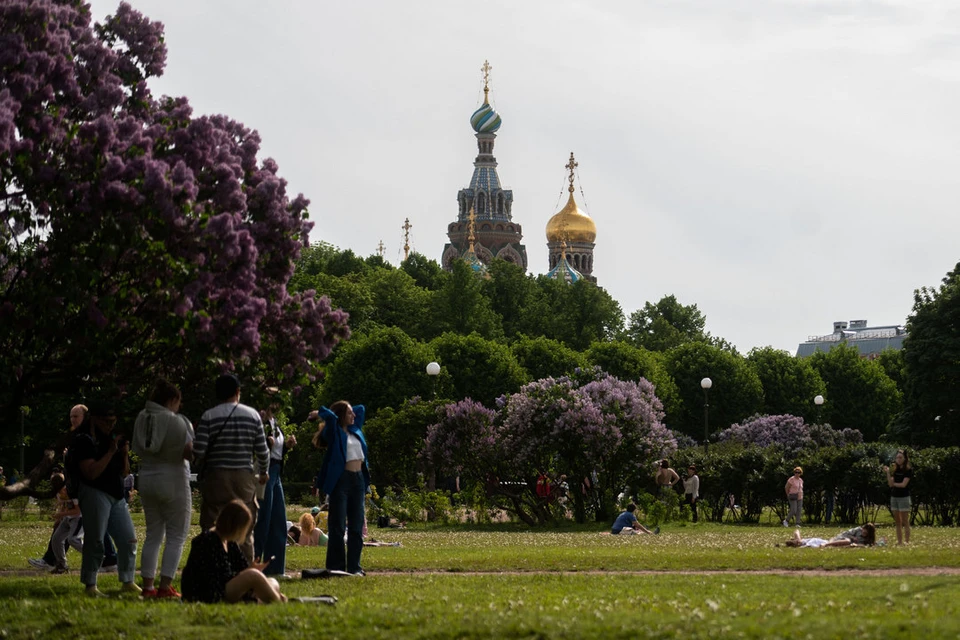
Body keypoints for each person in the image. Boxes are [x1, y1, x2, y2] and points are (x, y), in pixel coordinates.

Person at [30, 404, 118, 573]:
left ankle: (106, 559)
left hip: (91, 489)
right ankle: (55, 560)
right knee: (72, 530)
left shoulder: (90, 436)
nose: (72, 419)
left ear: (85, 418)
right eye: (71, 416)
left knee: (92, 526)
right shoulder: (76, 437)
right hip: (79, 490)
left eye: (75, 416)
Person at [193, 374, 269, 563]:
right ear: (237, 391)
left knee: (212, 524)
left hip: (216, 476)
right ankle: (245, 573)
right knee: (244, 525)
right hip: (243, 476)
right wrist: (264, 472)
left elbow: (199, 451)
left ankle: (213, 567)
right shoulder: (252, 416)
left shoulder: (209, 416)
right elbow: (263, 451)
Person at [132, 379, 194, 598]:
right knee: (177, 535)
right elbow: (188, 451)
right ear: (171, 400)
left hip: (147, 478)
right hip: (173, 478)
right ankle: (165, 586)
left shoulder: (142, 418)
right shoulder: (177, 422)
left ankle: (148, 586)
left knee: (153, 535)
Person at [71, 401, 140, 597]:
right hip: (94, 492)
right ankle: (90, 585)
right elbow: (91, 473)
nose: (110, 425)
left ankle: (127, 580)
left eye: (113, 421)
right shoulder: (84, 439)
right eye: (106, 421)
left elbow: (125, 472)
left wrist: (124, 454)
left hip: (116, 494)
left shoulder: (113, 438)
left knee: (129, 540)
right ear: (95, 419)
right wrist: (110, 452)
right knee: (95, 541)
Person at [180, 500, 286, 604]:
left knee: (272, 581)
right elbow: (220, 577)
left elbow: (241, 567)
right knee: (254, 576)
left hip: (225, 585)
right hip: (208, 592)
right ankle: (278, 602)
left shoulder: (229, 542)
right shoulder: (207, 541)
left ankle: (266, 600)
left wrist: (251, 569)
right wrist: (248, 574)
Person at [309, 400, 370, 576]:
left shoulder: (355, 429)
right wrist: (321, 413)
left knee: (357, 526)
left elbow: (361, 408)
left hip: (358, 481)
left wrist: (347, 409)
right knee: (337, 526)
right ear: (342, 416)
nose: (354, 415)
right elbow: (332, 417)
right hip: (341, 481)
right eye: (349, 413)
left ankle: (354, 567)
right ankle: (336, 567)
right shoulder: (334, 432)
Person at [253, 390, 297, 576]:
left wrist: (286, 446)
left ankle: (275, 569)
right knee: (262, 520)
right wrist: (266, 443)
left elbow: (276, 450)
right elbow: (256, 447)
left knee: (278, 521)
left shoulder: (274, 422)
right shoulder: (259, 421)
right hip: (265, 471)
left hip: (277, 471)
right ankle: (253, 566)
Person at [47, 476, 84, 573]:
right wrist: (58, 519)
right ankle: (61, 565)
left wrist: (61, 514)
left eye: (61, 488)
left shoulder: (72, 492)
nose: (60, 492)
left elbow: (77, 511)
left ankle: (95, 556)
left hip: (79, 518)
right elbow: (64, 505)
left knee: (73, 539)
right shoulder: (59, 494)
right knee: (56, 539)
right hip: (67, 519)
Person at [884, 450, 912, 545]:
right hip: (894, 497)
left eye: (900, 457)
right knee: (898, 521)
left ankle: (907, 541)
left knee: (905, 520)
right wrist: (888, 473)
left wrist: (894, 484)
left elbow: (903, 485)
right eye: (897, 458)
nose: (898, 459)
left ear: (904, 459)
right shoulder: (894, 470)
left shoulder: (908, 470)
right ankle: (899, 542)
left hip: (904, 497)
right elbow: (890, 484)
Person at [784, 523, 877, 548]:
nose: (863, 532)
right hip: (838, 540)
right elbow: (845, 534)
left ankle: (794, 540)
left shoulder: (866, 541)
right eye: (864, 530)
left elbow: (868, 544)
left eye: (866, 532)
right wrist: (853, 538)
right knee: (848, 541)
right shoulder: (858, 530)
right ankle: (795, 540)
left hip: (838, 543)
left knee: (800, 542)